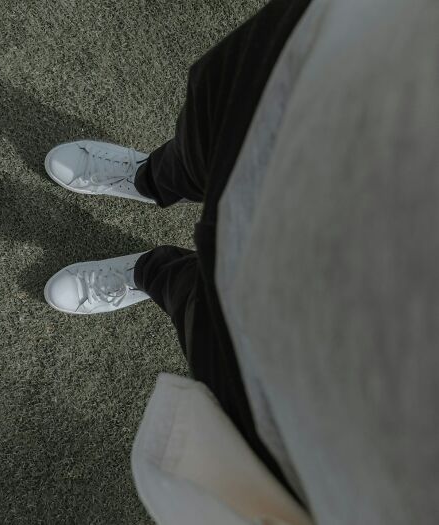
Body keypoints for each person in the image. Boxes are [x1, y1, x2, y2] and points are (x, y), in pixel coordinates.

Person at [45, 0, 439, 523]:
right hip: (376, 65)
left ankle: (148, 272)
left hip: (325, 409)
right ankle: (148, 178)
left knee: (206, 310)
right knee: (217, 121)